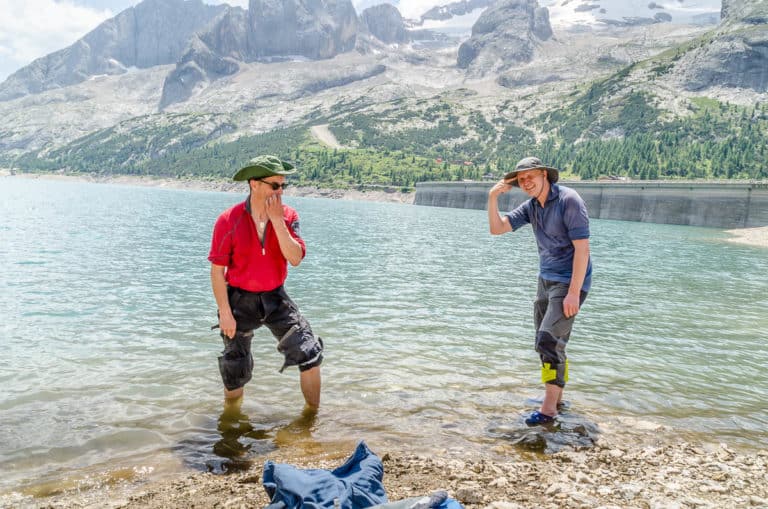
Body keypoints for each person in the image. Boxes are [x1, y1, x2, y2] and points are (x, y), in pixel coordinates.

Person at [208, 155, 323, 412]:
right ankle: (232, 420)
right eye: (275, 185)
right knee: (235, 367)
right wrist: (225, 312)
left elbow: (295, 258)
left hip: (275, 298)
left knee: (309, 354)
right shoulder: (228, 220)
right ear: (254, 184)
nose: (280, 191)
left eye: (283, 185)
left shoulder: (289, 215)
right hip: (239, 299)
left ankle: (312, 420)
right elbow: (217, 271)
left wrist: (277, 221)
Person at [487, 156, 592, 426]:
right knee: (547, 343)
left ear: (544, 174)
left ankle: (548, 410)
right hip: (545, 280)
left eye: (530, 176)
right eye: (521, 179)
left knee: (548, 339)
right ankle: (557, 399)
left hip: (569, 282)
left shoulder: (569, 200)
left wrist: (573, 292)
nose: (525, 182)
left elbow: (582, 249)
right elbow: (497, 229)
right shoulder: (532, 207)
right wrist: (493, 197)